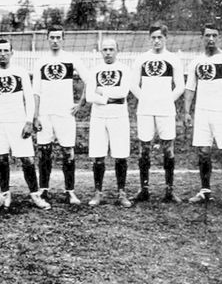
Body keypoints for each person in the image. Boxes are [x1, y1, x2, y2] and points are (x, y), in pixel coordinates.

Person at [0, 39, 51, 210]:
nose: (2, 54)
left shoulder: (20, 72)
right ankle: (5, 194)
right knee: (2, 159)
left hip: (18, 122)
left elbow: (29, 98)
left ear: (12, 52)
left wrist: (29, 121)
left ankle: (35, 195)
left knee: (27, 159)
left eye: (5, 50)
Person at [184, 23, 222, 208]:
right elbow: (190, 88)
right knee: (203, 152)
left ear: (219, 38)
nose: (211, 39)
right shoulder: (196, 62)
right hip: (202, 113)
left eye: (214, 35)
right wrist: (186, 112)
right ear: (202, 37)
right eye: (207, 35)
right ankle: (205, 191)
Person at [32, 24, 88, 205]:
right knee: (44, 151)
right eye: (52, 37)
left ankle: (70, 191)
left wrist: (80, 104)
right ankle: (44, 189)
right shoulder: (41, 61)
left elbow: (89, 81)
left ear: (63, 39)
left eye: (58, 37)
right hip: (45, 113)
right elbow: (36, 91)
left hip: (65, 113)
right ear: (47, 39)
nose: (55, 41)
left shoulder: (71, 59)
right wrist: (35, 115)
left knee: (68, 151)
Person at [130, 23, 184, 203]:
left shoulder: (173, 59)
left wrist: (167, 100)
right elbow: (133, 85)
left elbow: (180, 86)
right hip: (145, 110)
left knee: (168, 149)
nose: (156, 41)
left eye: (160, 37)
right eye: (153, 37)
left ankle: (169, 190)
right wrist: (144, 99)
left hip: (166, 110)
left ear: (165, 38)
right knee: (144, 149)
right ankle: (143, 189)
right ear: (149, 38)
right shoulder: (141, 59)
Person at [85, 38, 132, 208]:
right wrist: (108, 98)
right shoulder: (95, 70)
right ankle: (98, 192)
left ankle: (122, 193)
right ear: (100, 51)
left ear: (117, 51)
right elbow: (90, 96)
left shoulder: (124, 69)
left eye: (111, 49)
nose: (108, 52)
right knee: (98, 156)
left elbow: (123, 92)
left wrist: (101, 93)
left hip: (119, 116)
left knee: (120, 156)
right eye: (105, 49)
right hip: (98, 117)